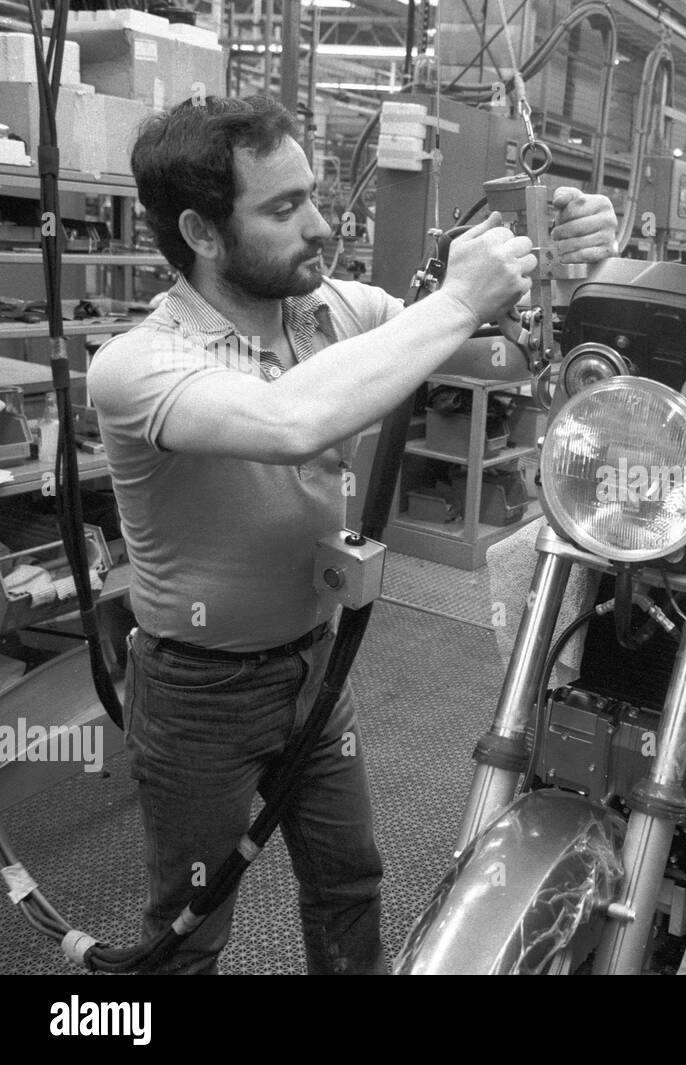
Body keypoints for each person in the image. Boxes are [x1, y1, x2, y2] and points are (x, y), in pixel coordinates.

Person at [87, 95, 618, 974]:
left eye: (314, 196)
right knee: (188, 926)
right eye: (284, 207)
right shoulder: (140, 363)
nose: (321, 225)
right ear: (203, 232)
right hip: (198, 695)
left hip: (315, 669)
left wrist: (551, 256)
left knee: (349, 879)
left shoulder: (329, 311)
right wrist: (454, 296)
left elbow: (498, 344)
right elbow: (287, 418)